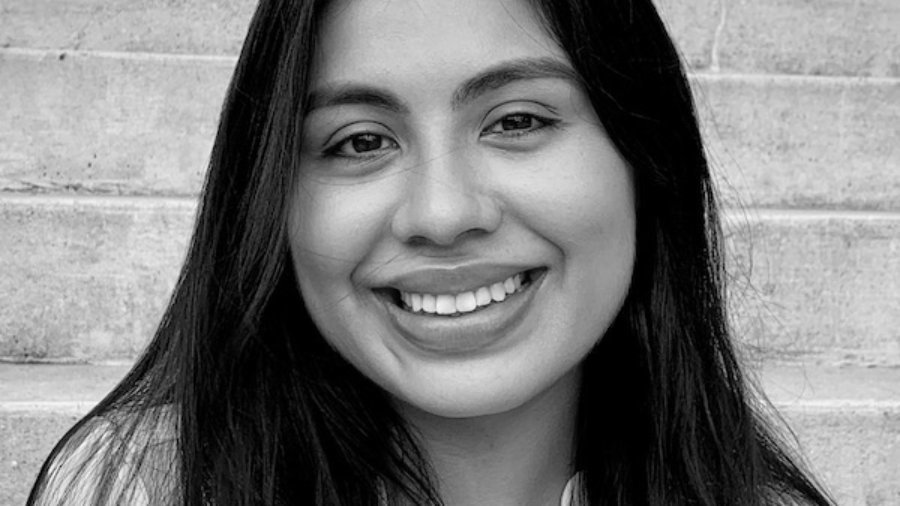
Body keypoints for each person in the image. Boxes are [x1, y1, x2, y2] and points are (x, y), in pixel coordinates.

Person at [28, 0, 836, 504]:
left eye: (517, 120)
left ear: (644, 160)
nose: (442, 215)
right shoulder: (140, 484)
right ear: (272, 198)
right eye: (360, 140)